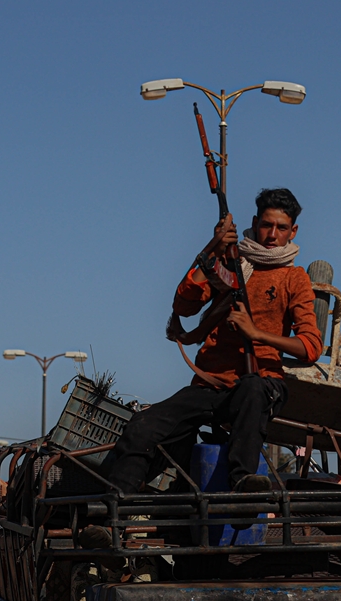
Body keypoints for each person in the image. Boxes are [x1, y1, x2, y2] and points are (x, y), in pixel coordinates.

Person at [93, 188, 323, 506]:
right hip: (211, 382)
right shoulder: (230, 263)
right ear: (255, 223)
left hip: (263, 382)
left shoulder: (293, 278)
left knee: (253, 391)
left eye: (281, 228)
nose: (272, 235)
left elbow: (310, 347)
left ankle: (243, 486)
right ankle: (112, 512)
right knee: (144, 424)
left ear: (292, 231)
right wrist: (213, 246)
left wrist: (255, 333)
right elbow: (185, 305)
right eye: (267, 225)